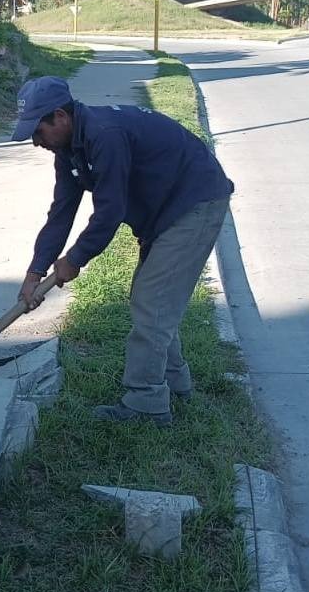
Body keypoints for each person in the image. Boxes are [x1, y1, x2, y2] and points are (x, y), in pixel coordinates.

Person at [12, 75, 233, 426]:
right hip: (165, 211)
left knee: (153, 301)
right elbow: (61, 213)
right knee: (154, 301)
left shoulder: (104, 135)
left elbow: (110, 211)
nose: (35, 142)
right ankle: (175, 385)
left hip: (194, 202)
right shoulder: (68, 148)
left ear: (60, 116)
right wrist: (35, 272)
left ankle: (146, 404)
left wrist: (74, 259)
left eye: (38, 131)